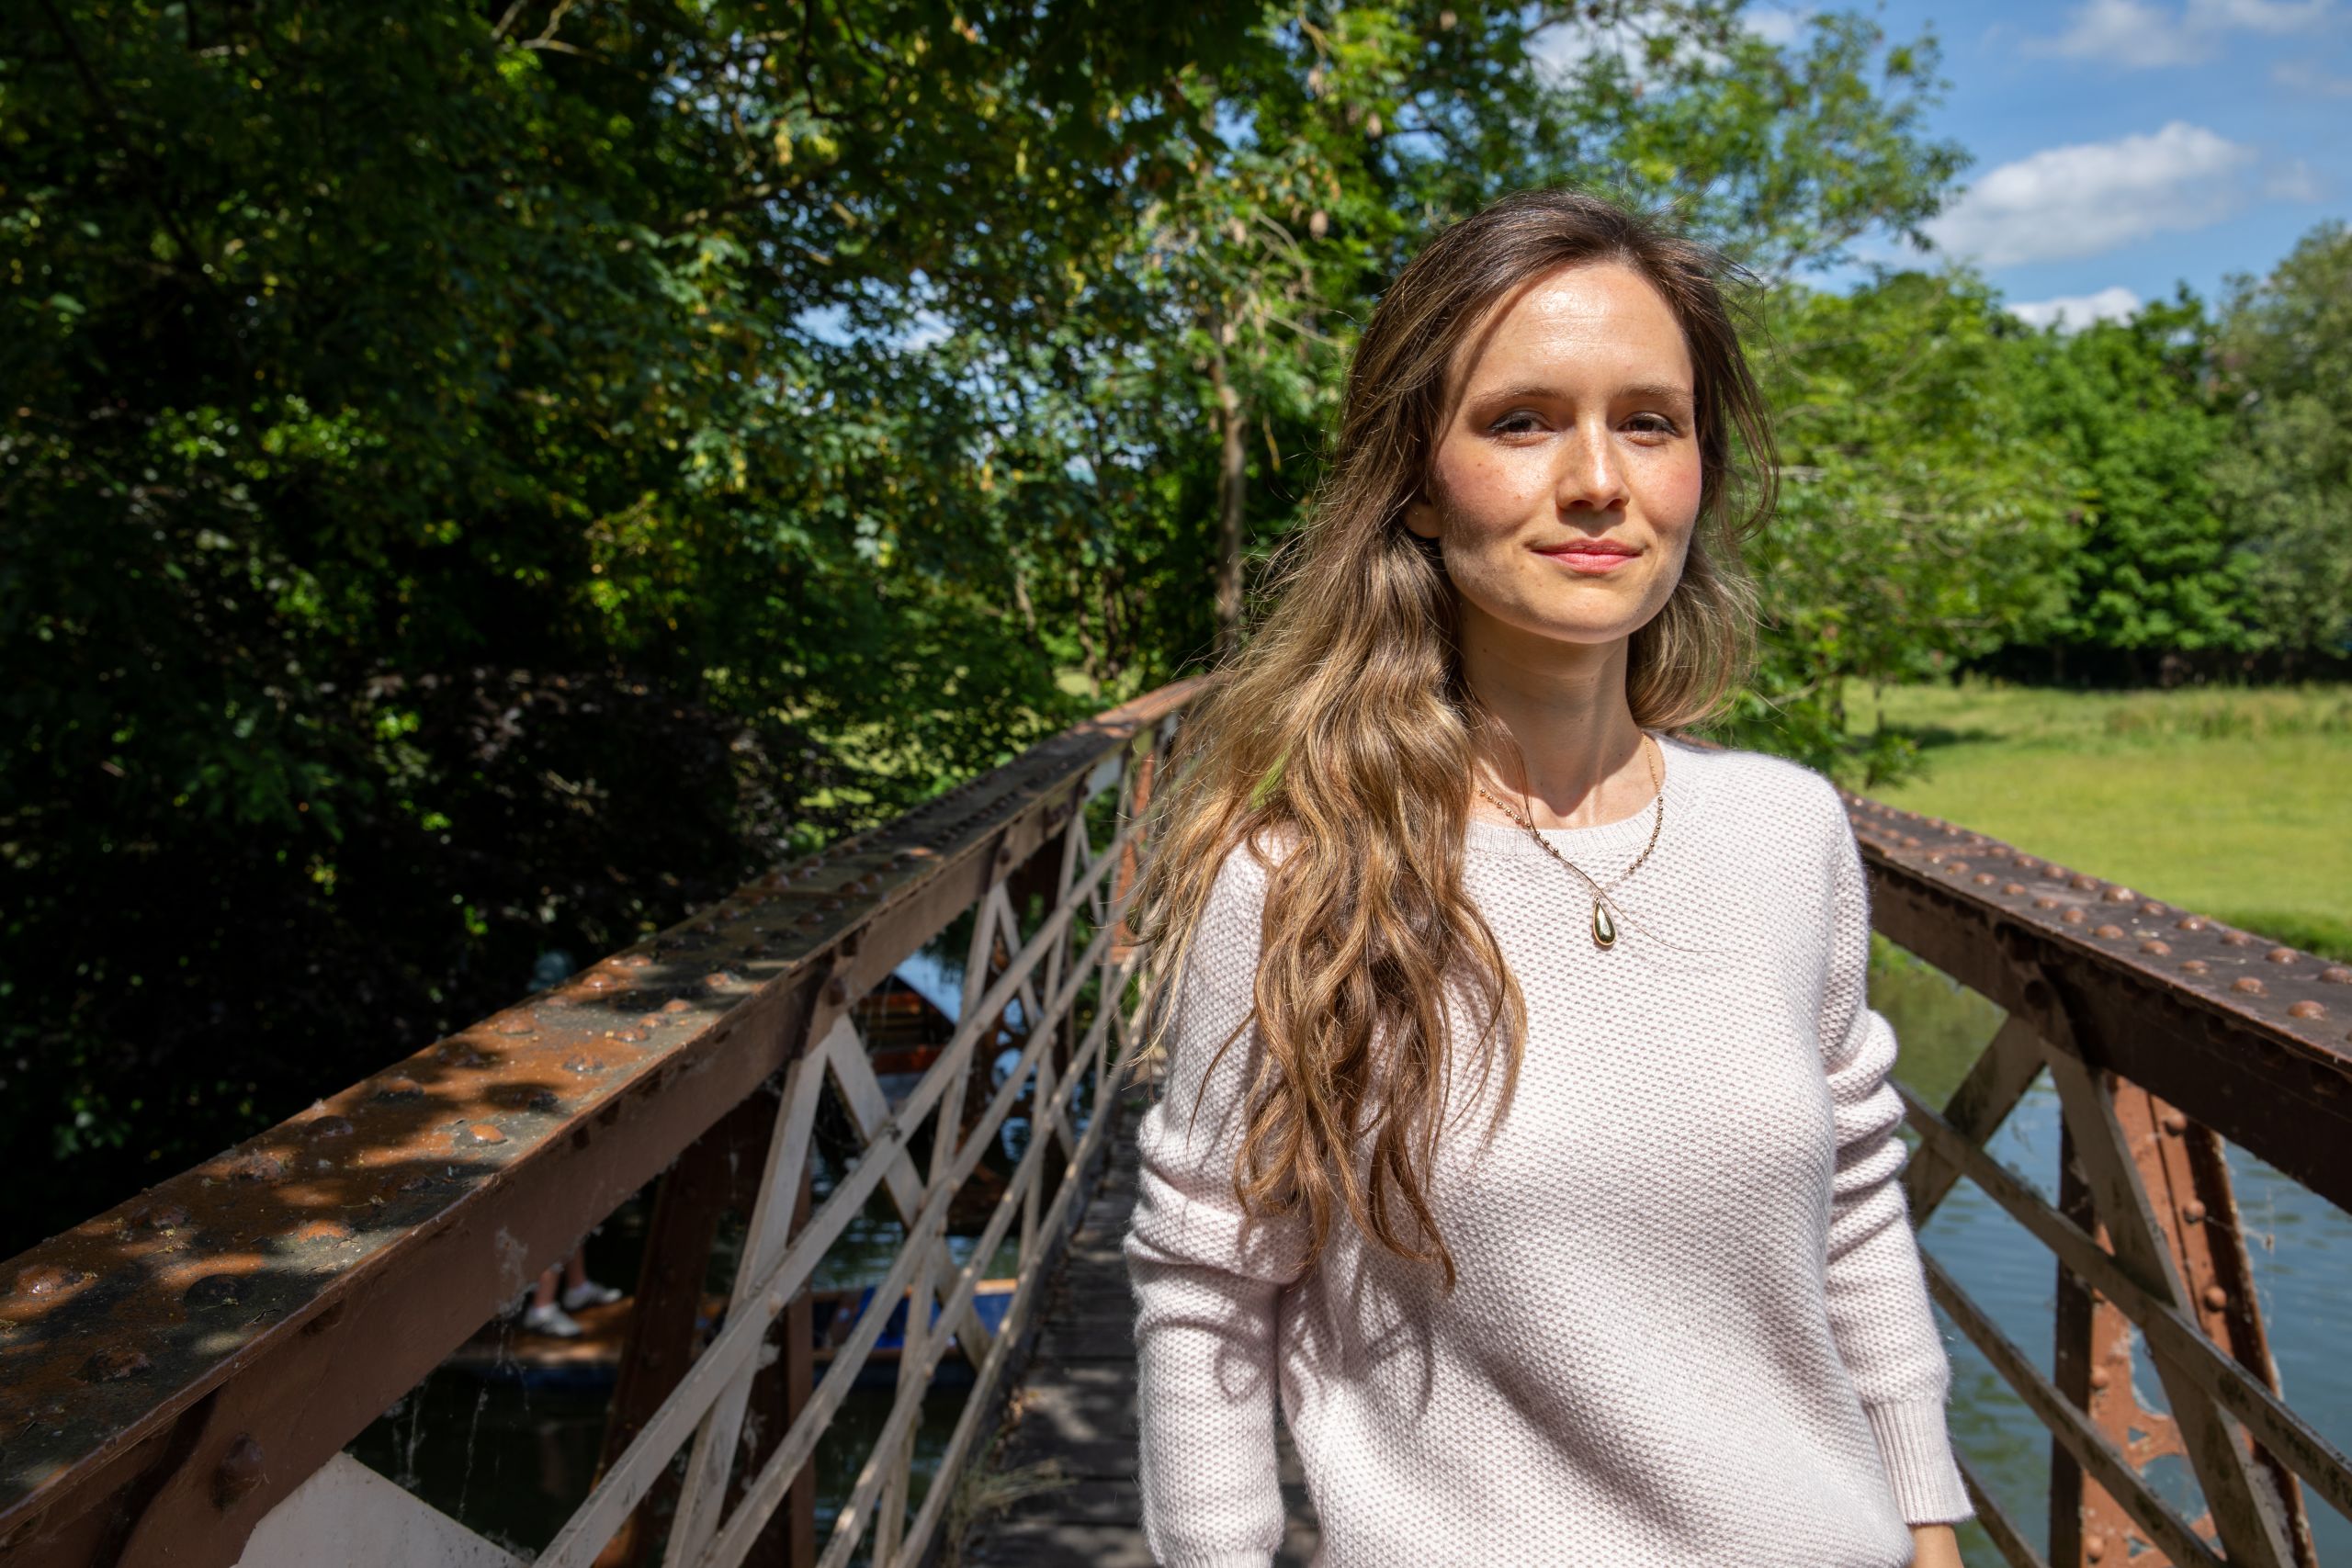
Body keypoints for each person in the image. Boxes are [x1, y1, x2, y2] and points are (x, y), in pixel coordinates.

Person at [1123, 189, 1972, 1567]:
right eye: (1522, 422)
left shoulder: (1787, 834)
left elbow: (1858, 1214)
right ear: (1413, 477)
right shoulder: (1296, 881)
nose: (1598, 480)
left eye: (1650, 420)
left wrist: (1929, 1527)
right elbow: (1208, 1291)